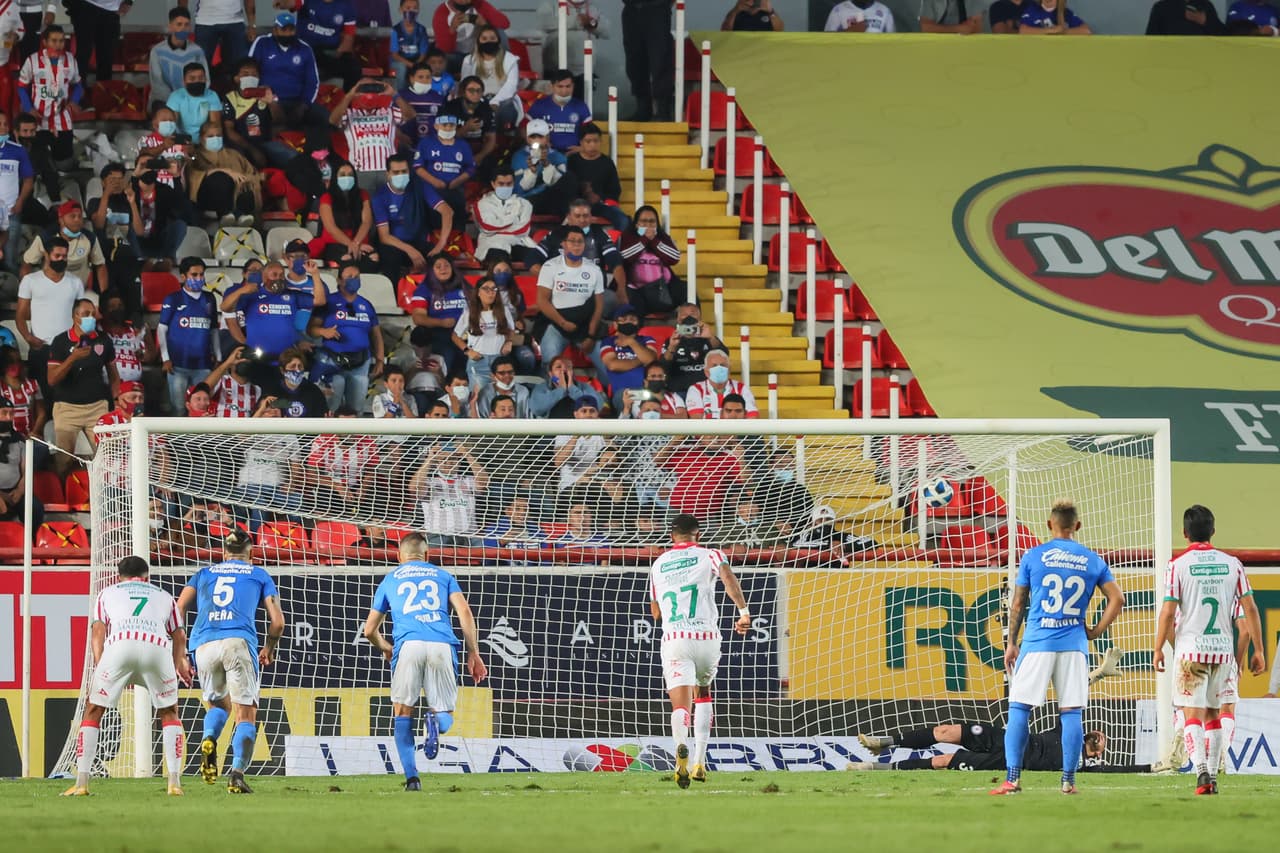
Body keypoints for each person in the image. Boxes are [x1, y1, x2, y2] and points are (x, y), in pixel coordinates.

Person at [994, 499, 1125, 796]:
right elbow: (1117, 599)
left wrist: (1012, 642)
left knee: (1019, 709)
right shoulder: (1093, 560)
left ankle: (1012, 779)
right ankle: (1068, 781)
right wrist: (1094, 631)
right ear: (1077, 526)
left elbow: (1018, 603)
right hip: (1074, 644)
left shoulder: (1033, 556)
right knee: (1071, 714)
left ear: (1049, 524)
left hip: (1038, 641)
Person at [363, 532, 487, 790]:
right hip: (441, 643)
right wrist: (473, 652)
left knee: (402, 711)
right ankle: (435, 719)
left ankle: (412, 779)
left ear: (399, 555)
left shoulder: (390, 579)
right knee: (445, 713)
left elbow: (369, 630)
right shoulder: (443, 576)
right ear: (427, 554)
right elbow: (464, 611)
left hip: (408, 645)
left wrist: (386, 647)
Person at [1155, 504, 1265, 795]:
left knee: (1192, 715)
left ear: (1184, 533)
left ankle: (1202, 772)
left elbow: (1168, 612)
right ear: (1213, 531)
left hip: (1191, 651)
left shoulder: (1177, 565)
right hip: (1223, 652)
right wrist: (1259, 650)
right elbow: (1250, 608)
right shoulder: (1233, 564)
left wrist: (1157, 649)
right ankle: (1214, 775)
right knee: (1216, 715)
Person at [61, 557, 190, 798]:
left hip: (120, 646)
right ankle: (174, 783)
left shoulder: (107, 593)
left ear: (118, 576)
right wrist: (173, 667)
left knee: (93, 711)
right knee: (169, 712)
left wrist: (101, 665)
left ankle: (81, 783)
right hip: (156, 648)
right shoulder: (164, 595)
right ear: (147, 575)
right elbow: (179, 636)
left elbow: (98, 630)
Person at [177, 529, 286, 794]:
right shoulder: (258, 574)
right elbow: (278, 622)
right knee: (245, 714)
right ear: (251, 554)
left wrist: (180, 653)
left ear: (223, 553)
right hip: (237, 641)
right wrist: (269, 647)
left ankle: (209, 738)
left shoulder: (203, 574)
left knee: (218, 705)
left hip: (203, 644)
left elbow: (178, 608)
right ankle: (236, 774)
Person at [650, 513, 751, 787]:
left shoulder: (658, 564)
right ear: (699, 535)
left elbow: (656, 611)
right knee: (703, 693)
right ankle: (699, 761)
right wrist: (743, 612)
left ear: (672, 536)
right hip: (707, 636)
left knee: (680, 704)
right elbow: (728, 577)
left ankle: (680, 748)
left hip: (675, 637)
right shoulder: (711, 554)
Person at [850, 721, 1124, 773]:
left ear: (1098, 754)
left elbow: (1124, 771)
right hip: (1006, 738)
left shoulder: (1080, 768)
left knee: (944, 761)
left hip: (1002, 762)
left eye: (1103, 744)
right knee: (945, 731)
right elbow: (1073, 697)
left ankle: (875, 767)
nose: (1102, 739)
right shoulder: (1069, 731)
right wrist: (1099, 674)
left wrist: (1151, 767)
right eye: (1100, 736)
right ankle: (884, 742)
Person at [48, 299, 118, 465]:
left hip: (97, 408)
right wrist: (73, 358)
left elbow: (114, 374)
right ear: (75, 317)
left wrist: (115, 400)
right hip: (67, 409)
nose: (91, 318)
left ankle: (102, 490)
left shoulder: (103, 339)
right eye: (86, 314)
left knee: (106, 459)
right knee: (63, 461)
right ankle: (62, 489)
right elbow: (52, 379)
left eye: (93, 314)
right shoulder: (61, 341)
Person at [308, 263, 384, 413]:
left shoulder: (366, 305)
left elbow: (376, 334)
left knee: (356, 408)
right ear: (339, 280)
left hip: (360, 362)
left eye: (357, 277)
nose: (354, 280)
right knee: (331, 406)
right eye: (349, 277)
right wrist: (324, 332)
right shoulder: (328, 302)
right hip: (332, 362)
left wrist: (380, 359)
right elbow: (311, 329)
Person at [250, 12, 330, 153]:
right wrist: (266, 97)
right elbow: (250, 71)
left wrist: (304, 105)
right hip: (267, 99)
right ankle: (261, 154)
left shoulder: (305, 48)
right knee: (255, 117)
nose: (288, 33)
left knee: (323, 116)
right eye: (284, 30)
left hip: (297, 101)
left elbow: (313, 82)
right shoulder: (262, 43)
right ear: (275, 30)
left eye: (291, 30)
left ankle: (319, 155)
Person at [16, 236, 82, 394]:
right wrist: (28, 337)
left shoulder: (76, 282)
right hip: (41, 347)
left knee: (67, 393)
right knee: (40, 396)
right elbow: (20, 315)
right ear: (46, 255)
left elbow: (80, 315)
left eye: (64, 256)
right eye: (57, 256)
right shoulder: (30, 280)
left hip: (68, 348)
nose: (61, 259)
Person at [372, 154, 453, 278]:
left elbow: (447, 211)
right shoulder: (379, 197)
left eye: (404, 171)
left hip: (419, 242)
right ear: (387, 174)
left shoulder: (420, 186)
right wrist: (409, 250)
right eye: (396, 172)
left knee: (443, 260)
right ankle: (395, 295)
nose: (400, 175)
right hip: (394, 245)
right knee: (391, 260)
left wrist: (441, 244)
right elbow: (384, 236)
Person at [534, 226, 604, 366]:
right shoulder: (550, 266)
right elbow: (542, 300)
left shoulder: (594, 270)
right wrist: (562, 323)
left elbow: (599, 305)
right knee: (550, 362)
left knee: (605, 363)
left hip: (584, 326)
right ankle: (551, 387)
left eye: (580, 241)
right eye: (572, 241)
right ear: (563, 243)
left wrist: (590, 335)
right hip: (556, 323)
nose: (577, 245)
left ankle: (604, 388)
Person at [159, 257, 220, 414]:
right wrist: (165, 358)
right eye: (194, 275)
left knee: (202, 410)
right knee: (178, 409)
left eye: (201, 274)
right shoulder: (173, 298)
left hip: (203, 365)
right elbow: (162, 329)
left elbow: (214, 329)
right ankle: (175, 440)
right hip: (177, 365)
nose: (199, 278)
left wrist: (218, 356)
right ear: (183, 276)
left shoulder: (210, 298)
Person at [18, 26, 82, 168]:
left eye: (61, 41)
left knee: (63, 163)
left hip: (62, 120)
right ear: (45, 42)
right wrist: (28, 108)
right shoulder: (32, 60)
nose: (58, 45)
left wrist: (74, 101)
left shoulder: (71, 60)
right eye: (53, 41)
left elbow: (78, 85)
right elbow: (21, 87)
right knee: (35, 162)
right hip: (38, 121)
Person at [333, 78, 412, 186]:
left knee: (389, 202)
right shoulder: (349, 113)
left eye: (372, 88)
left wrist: (395, 94)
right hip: (360, 171)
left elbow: (410, 115)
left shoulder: (389, 112)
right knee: (364, 201)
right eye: (364, 88)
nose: (369, 93)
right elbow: (333, 120)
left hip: (388, 170)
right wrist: (349, 96)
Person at [22, 200, 107, 296]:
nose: (77, 220)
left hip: (80, 291)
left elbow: (100, 265)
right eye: (72, 216)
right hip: (51, 290)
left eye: (80, 217)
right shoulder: (46, 237)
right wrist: (27, 293)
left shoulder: (90, 238)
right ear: (61, 219)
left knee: (96, 303)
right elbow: (27, 264)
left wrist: (104, 295)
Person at [222, 58, 295, 169]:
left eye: (254, 74)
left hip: (267, 143)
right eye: (245, 74)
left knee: (293, 159)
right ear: (236, 78)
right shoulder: (231, 98)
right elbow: (229, 130)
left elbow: (280, 120)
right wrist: (251, 148)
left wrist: (272, 103)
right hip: (243, 145)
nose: (250, 77)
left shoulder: (265, 93)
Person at [188, 119, 262, 223]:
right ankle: (224, 214)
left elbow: (253, 172)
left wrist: (244, 178)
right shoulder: (195, 155)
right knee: (220, 177)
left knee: (247, 186)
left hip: (238, 196)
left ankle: (242, 215)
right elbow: (193, 174)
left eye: (218, 136)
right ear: (201, 138)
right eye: (210, 136)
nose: (215, 139)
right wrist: (225, 171)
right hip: (208, 198)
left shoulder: (234, 154)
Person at [407, 252, 470, 373]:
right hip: (440, 334)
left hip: (466, 334)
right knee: (448, 354)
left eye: (446, 265)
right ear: (432, 270)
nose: (443, 269)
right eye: (438, 266)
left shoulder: (464, 286)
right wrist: (441, 323)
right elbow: (418, 317)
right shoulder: (424, 289)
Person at [453, 275, 515, 391]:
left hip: (499, 359)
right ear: (478, 292)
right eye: (486, 289)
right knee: (479, 396)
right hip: (479, 360)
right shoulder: (470, 312)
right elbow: (455, 336)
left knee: (500, 395)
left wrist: (509, 342)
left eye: (493, 289)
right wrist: (468, 351)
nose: (490, 293)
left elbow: (511, 330)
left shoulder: (504, 310)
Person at [537, 0, 609, 99]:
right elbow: (543, 23)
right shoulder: (551, 4)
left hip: (584, 70)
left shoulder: (593, 6)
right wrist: (578, 21)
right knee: (555, 106)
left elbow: (607, 31)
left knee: (580, 107)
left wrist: (592, 23)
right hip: (555, 68)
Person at [618, 204, 681, 316]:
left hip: (661, 289)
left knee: (686, 290)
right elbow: (624, 257)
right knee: (634, 307)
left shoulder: (663, 237)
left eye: (652, 222)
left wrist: (654, 241)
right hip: (636, 290)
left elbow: (674, 258)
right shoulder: (627, 236)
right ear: (636, 224)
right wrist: (644, 240)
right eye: (643, 221)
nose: (648, 225)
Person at [314, 162, 378, 267]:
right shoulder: (326, 197)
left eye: (350, 175)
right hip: (335, 242)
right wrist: (351, 244)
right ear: (335, 177)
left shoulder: (363, 194)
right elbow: (330, 227)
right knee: (348, 260)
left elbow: (366, 222)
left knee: (373, 259)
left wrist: (356, 243)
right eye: (342, 175)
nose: (347, 178)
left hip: (359, 240)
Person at [567, 123, 627, 233]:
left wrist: (599, 198)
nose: (592, 145)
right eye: (588, 141)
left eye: (596, 141)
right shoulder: (572, 161)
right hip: (575, 205)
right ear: (581, 142)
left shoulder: (607, 162)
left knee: (623, 220)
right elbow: (566, 187)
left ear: (600, 142)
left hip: (600, 205)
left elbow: (615, 191)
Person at [413, 112, 473, 223]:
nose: (448, 128)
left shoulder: (463, 145)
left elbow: (470, 168)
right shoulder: (426, 143)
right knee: (432, 222)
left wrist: (457, 181)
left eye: (451, 125)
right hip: (432, 190)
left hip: (455, 190)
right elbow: (418, 167)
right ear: (436, 126)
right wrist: (435, 182)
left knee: (457, 223)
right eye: (444, 125)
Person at [620, 0, 674, 121]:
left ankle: (663, 111)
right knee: (634, 62)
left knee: (660, 60)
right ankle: (643, 110)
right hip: (631, 10)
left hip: (657, 9)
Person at [460, 25, 521, 130]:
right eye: (484, 39)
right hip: (477, 99)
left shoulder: (510, 59)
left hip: (502, 101)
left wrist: (495, 101)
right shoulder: (469, 60)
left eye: (492, 38)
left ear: (498, 40)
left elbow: (511, 85)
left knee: (506, 108)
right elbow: (465, 84)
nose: (489, 41)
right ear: (478, 41)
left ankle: (505, 137)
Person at [474, 166, 536, 264]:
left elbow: (523, 230)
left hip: (518, 243)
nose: (505, 187)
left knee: (536, 257)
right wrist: (514, 219)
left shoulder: (525, 204)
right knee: (498, 257)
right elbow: (487, 227)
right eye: (501, 184)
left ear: (513, 184)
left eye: (509, 184)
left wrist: (498, 225)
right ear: (493, 184)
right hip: (492, 244)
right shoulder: (482, 204)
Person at [599, 304, 657, 409]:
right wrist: (640, 360)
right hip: (622, 393)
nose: (629, 322)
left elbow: (651, 360)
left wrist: (632, 342)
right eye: (624, 319)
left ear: (638, 322)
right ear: (615, 324)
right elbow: (612, 365)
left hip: (646, 390)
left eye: (632, 319)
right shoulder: (608, 342)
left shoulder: (647, 339)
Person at [511, 118, 571, 217]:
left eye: (540, 136)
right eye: (533, 137)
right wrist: (532, 171)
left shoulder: (559, 157)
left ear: (547, 137)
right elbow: (520, 188)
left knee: (569, 178)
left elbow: (561, 185)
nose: (536, 140)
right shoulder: (519, 156)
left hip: (552, 200)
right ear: (527, 138)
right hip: (528, 200)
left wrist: (546, 164)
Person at [151, 8, 211, 109]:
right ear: (170, 26)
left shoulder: (197, 51)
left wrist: (189, 100)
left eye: (186, 24)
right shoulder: (157, 51)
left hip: (193, 99)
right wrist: (176, 102)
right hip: (165, 101)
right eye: (179, 24)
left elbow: (206, 80)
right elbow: (158, 84)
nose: (183, 28)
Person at [432, 0, 510, 74]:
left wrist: (484, 25)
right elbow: (445, 48)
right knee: (441, 58)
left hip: (478, 55)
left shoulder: (479, 5)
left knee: (500, 33)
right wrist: (452, 29)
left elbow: (504, 23)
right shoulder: (442, 12)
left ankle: (504, 67)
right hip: (455, 56)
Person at [298, 0, 361, 90]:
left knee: (354, 69)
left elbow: (348, 38)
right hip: (307, 51)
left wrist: (337, 53)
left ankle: (347, 102)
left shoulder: (347, 5)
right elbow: (290, 3)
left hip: (331, 52)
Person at [179, 0, 256, 73]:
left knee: (240, 66)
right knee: (201, 64)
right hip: (205, 21)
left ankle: (235, 86)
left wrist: (252, 25)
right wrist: (182, 19)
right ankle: (203, 86)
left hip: (235, 21)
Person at [527, 69, 592, 155]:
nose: (564, 91)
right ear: (552, 86)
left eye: (568, 86)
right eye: (560, 86)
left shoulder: (581, 106)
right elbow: (524, 128)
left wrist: (583, 148)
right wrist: (538, 144)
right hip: (546, 154)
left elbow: (590, 133)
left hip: (574, 155)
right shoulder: (539, 105)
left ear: (573, 86)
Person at [0, 112, 34, 276]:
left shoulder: (18, 151)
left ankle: (14, 296)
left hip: (10, 213)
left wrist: (20, 201)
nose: (3, 128)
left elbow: (28, 179)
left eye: (6, 124)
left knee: (9, 260)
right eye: (0, 124)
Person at [0, 396, 43, 527]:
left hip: (14, 491)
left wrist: (19, 490)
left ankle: (31, 540)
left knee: (35, 508)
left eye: (11, 413)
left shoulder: (19, 440)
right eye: (4, 413)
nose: (8, 417)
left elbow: (26, 470)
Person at [442, 74, 498, 172]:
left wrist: (479, 157)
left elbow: (491, 139)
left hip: (477, 148)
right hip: (453, 147)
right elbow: (444, 137)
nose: (475, 94)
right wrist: (465, 128)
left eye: (478, 91)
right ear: (463, 92)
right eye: (471, 90)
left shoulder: (486, 109)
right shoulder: (451, 107)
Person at [664, 303, 722, 395]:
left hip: (706, 391)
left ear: (700, 318)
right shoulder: (671, 340)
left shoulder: (709, 339)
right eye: (684, 315)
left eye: (692, 314)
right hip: (679, 391)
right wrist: (672, 347)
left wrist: (711, 337)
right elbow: (663, 366)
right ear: (678, 319)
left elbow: (724, 357)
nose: (688, 317)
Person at [685, 349, 757, 419]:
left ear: (729, 370)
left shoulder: (741, 388)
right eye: (714, 366)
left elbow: (752, 417)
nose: (719, 368)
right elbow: (697, 420)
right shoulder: (696, 389)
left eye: (723, 365)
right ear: (706, 372)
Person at [399, 58, 450, 146]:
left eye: (428, 77)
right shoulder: (401, 96)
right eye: (420, 77)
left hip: (432, 144)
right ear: (411, 78)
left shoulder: (438, 98)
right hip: (406, 142)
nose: (425, 80)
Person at [167, 62, 224, 137]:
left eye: (201, 78)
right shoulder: (176, 96)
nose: (197, 81)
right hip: (182, 139)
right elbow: (171, 125)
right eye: (192, 78)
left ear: (206, 79)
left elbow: (214, 125)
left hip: (205, 139)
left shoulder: (212, 95)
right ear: (184, 81)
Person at [204, 345, 262, 417]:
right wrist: (227, 363)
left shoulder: (256, 390)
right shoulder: (220, 381)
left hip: (244, 428)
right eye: (239, 358)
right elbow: (203, 389)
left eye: (247, 359)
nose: (243, 361)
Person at [390, 0, 431, 91]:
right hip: (399, 61)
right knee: (401, 68)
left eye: (415, 8)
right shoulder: (396, 30)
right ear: (401, 10)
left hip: (416, 60)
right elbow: (395, 55)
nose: (411, 11)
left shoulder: (421, 29)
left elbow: (423, 52)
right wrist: (410, 65)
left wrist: (416, 64)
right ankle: (401, 94)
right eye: (408, 8)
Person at [1146, 0, 1224, 33]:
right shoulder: (1161, 7)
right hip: (1169, 60)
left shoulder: (1206, 5)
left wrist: (1205, 21)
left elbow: (1222, 35)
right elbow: (1151, 39)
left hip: (1200, 59)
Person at [1020, 0, 1090, 32]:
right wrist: (1049, 30)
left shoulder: (1066, 12)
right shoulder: (1033, 9)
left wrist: (1062, 31)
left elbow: (1086, 30)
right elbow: (1023, 30)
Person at [825, 0, 894, 31]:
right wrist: (848, 34)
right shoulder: (838, 10)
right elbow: (827, 44)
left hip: (876, 58)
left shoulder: (885, 11)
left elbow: (892, 45)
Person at [918, 0, 982, 33]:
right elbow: (924, 27)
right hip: (937, 46)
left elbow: (976, 28)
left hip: (964, 46)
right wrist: (957, 29)